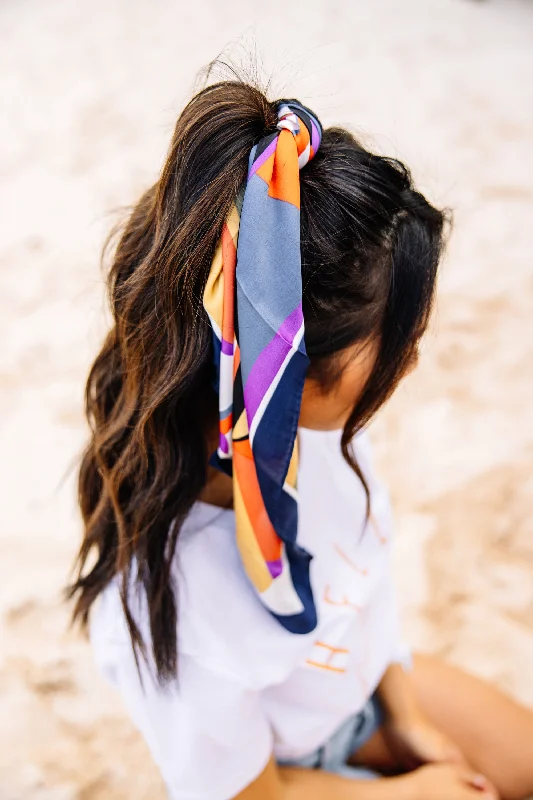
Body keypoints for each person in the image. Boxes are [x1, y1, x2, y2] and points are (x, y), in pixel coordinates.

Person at [68, 74, 533, 800]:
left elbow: (365, 595)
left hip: (357, 694)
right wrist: (409, 791)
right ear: (289, 376)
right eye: (395, 344)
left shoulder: (306, 431)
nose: (411, 360)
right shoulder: (175, 600)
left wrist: (403, 712)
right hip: (280, 774)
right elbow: (251, 793)